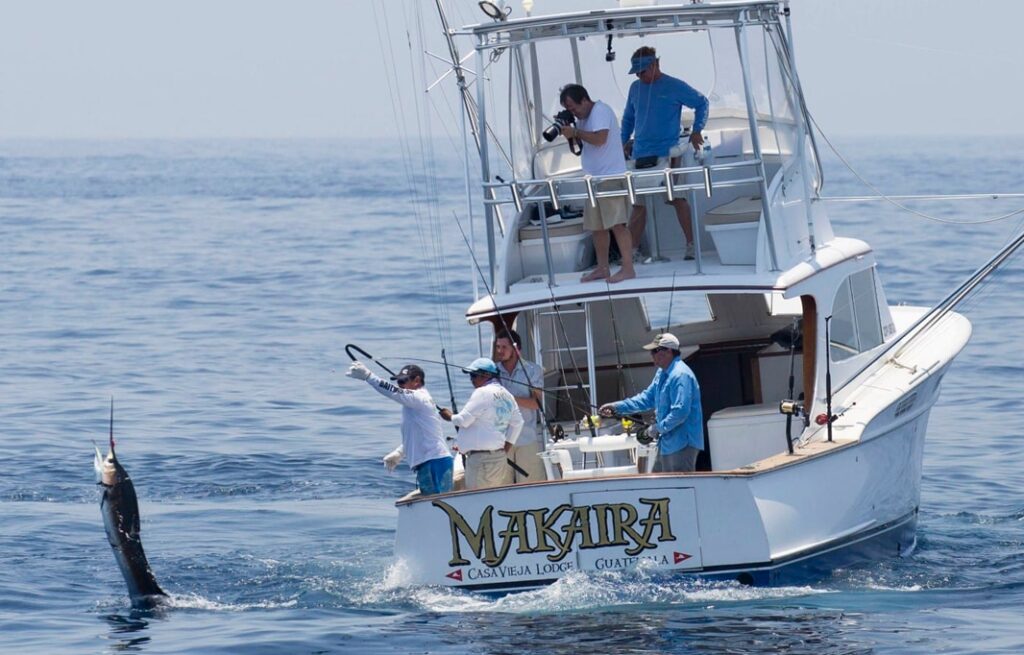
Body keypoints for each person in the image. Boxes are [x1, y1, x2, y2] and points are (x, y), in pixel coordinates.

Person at [621, 46, 710, 261]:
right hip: (641, 154)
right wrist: (623, 142)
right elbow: (628, 119)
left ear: (655, 65)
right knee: (638, 204)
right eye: (637, 73)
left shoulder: (673, 85)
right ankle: (631, 253)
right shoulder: (635, 88)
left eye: (643, 71)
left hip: (668, 152)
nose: (640, 76)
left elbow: (702, 103)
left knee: (676, 198)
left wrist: (697, 130)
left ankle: (691, 245)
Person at [558, 84, 635, 283]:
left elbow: (600, 139)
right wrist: (571, 131)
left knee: (617, 224)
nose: (574, 112)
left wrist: (575, 133)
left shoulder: (600, 111)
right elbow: (584, 144)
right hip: (594, 179)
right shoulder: (583, 119)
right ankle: (602, 268)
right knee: (597, 227)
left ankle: (628, 268)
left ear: (584, 99)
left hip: (610, 177)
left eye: (574, 108)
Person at [598, 333, 703, 472]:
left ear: (669, 352)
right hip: (666, 443)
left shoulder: (680, 375)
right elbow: (646, 399)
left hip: (682, 443)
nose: (651, 355)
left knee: (678, 488)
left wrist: (656, 429)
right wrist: (617, 407)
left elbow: (680, 412)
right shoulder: (661, 373)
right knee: (657, 485)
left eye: (655, 351)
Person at [346, 361, 454, 495]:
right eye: (399, 381)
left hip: (435, 462)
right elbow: (419, 434)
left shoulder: (419, 397)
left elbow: (392, 391)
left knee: (440, 505)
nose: (400, 385)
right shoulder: (412, 405)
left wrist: (369, 376)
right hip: (428, 462)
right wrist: (400, 453)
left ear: (417, 381)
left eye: (403, 381)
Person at [438, 357, 524, 490]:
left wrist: (449, 416)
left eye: (474, 375)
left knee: (479, 501)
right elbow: (518, 423)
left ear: (487, 375)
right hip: (498, 459)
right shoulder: (507, 395)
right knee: (492, 498)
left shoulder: (482, 392)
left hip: (481, 461)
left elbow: (463, 420)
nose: (471, 379)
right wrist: (505, 449)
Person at [493, 328, 545, 483]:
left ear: (516, 349)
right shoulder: (492, 371)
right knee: (501, 486)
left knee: (532, 485)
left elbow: (536, 404)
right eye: (498, 347)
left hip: (526, 439)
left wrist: (509, 398)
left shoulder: (533, 370)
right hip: (500, 441)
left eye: (504, 347)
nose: (500, 351)